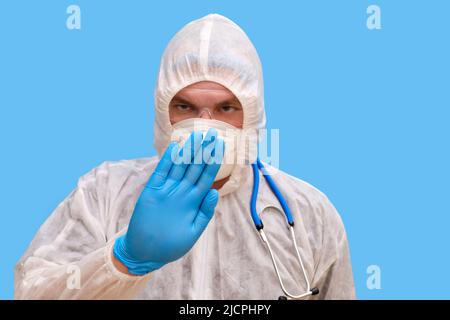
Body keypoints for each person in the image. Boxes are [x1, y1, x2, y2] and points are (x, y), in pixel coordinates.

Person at [14, 13, 355, 299]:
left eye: (226, 108)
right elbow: (32, 292)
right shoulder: (103, 195)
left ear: (252, 115)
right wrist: (123, 260)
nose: (205, 127)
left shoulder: (309, 215)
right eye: (185, 106)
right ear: (164, 113)